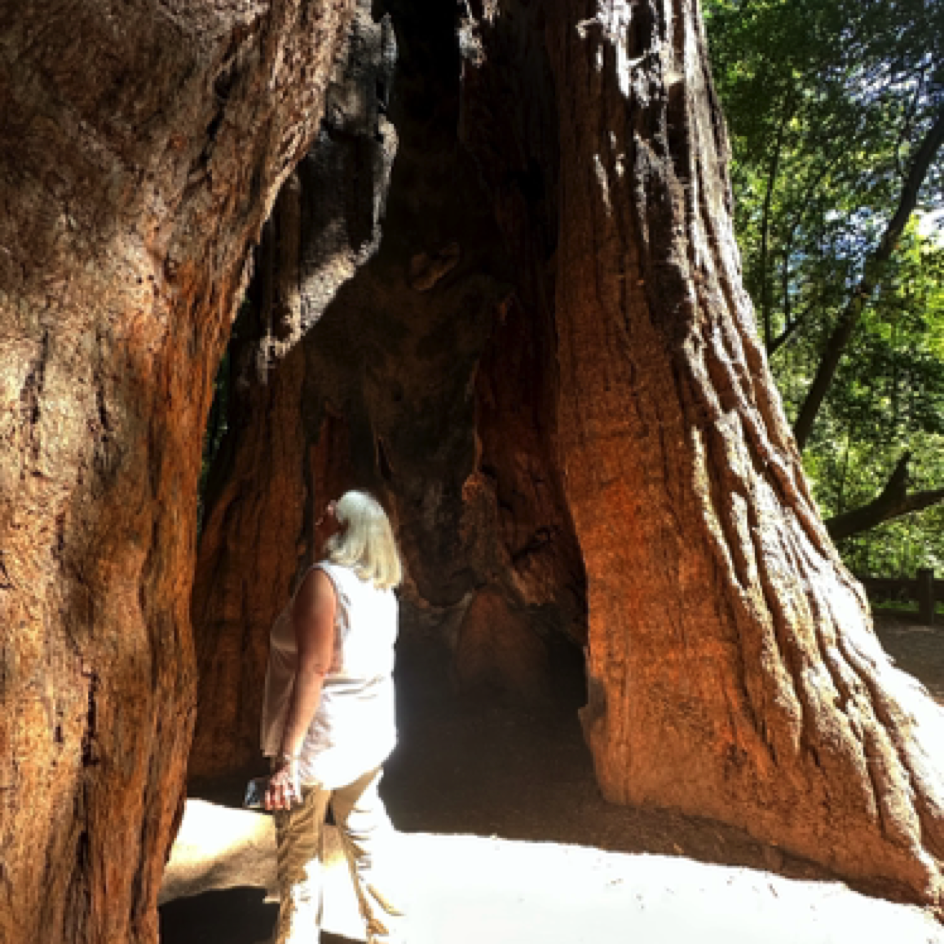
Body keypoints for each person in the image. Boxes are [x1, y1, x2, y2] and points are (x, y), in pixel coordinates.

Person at [260, 490, 407, 944]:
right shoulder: (381, 588)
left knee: (300, 854)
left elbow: (315, 668)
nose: (323, 508)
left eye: (332, 508)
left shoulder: (324, 581)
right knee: (367, 838)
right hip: (365, 738)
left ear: (346, 528)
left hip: (318, 743)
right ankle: (390, 933)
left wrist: (288, 759)